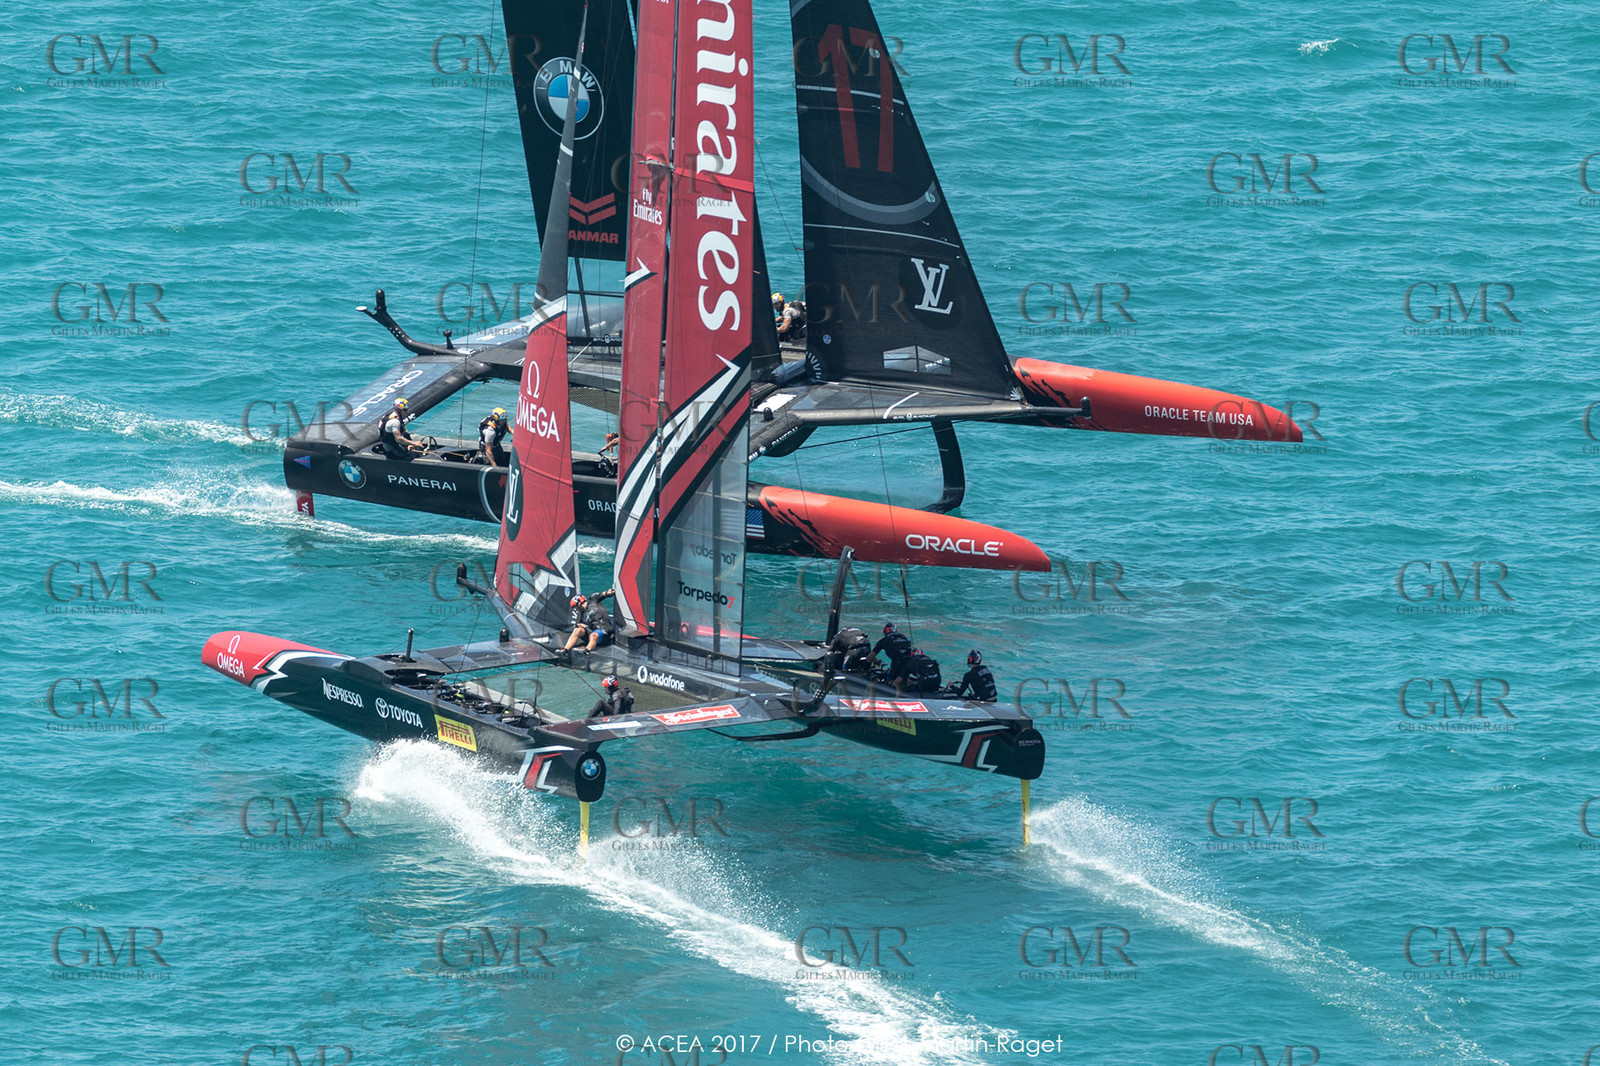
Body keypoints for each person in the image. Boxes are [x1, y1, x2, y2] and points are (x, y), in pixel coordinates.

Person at [563, 588, 618, 654]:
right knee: (577, 630)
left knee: (594, 635)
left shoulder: (593, 600)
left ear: (579, 604)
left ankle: (586, 651)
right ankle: (565, 650)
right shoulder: (582, 615)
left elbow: (602, 595)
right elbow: (584, 628)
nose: (576, 610)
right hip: (593, 631)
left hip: (604, 631)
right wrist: (582, 626)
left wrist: (608, 593)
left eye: (575, 607)